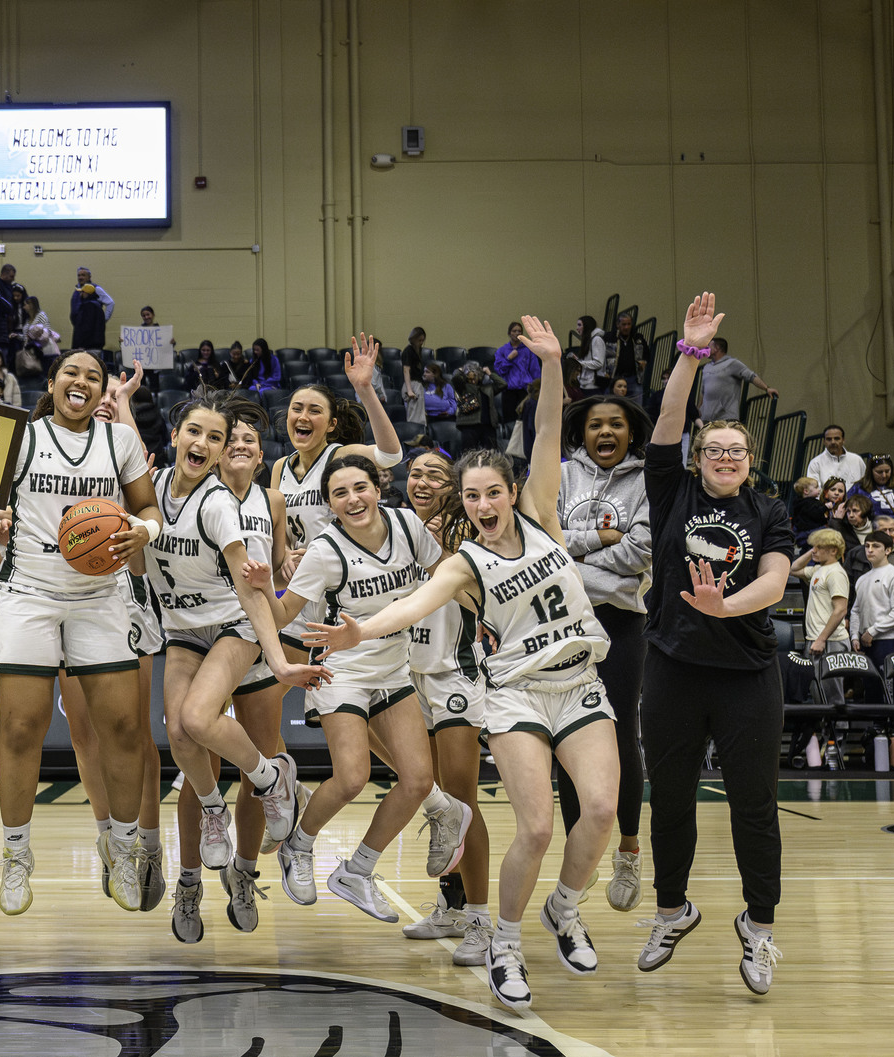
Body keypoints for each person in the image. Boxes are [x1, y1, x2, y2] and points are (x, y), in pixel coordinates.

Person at [307, 316, 618, 1012]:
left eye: (488, 492)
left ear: (510, 492)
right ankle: (499, 936)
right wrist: (358, 633)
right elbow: (410, 606)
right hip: (513, 692)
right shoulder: (459, 559)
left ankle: (563, 909)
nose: (483, 503)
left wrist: (552, 364)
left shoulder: (541, 513)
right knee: (530, 823)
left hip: (579, 681)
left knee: (598, 809)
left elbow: (545, 432)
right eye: (471, 496)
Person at [0, 349, 160, 916]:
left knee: (124, 725)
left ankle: (125, 846)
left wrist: (143, 532)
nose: (81, 381)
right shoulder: (16, 437)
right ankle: (16, 856)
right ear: (54, 383)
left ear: (102, 389)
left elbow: (148, 509)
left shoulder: (120, 442)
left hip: (100, 592)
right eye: (71, 373)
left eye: (93, 375)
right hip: (28, 592)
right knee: (19, 724)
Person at [635, 292, 792, 997]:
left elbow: (778, 580)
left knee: (753, 803)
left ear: (749, 462)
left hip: (747, 676)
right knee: (669, 798)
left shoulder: (768, 510)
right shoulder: (671, 492)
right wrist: (691, 353)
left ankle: (759, 928)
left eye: (737, 451)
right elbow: (667, 423)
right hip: (672, 669)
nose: (726, 457)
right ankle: (672, 910)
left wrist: (723, 604)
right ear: (698, 459)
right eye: (715, 450)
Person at [247, 450, 470, 924]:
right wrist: (267, 588)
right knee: (352, 777)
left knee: (416, 782)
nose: (352, 499)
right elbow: (285, 615)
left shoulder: (409, 527)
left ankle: (357, 871)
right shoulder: (326, 552)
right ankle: (298, 847)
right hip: (340, 669)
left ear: (378, 487)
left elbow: (447, 578)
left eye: (359, 488)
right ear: (329, 504)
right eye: (339, 493)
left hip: (393, 667)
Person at [168, 402, 294, 940]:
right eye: (198, 432)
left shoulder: (252, 502)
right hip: (188, 629)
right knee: (182, 734)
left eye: (222, 437)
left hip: (242, 625)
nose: (216, 443)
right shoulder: (164, 488)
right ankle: (190, 881)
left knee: (214, 734)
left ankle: (245, 865)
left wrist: (281, 655)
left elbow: (258, 585)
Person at [556, 394, 654, 913]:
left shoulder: (646, 482)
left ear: (631, 431)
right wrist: (599, 536)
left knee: (619, 734)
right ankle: (581, 852)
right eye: (596, 424)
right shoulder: (564, 476)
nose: (606, 432)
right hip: (565, 622)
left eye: (617, 423)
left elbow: (641, 552)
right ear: (583, 432)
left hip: (621, 622)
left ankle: (630, 848)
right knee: (566, 735)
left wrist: (575, 555)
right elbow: (546, 542)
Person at [396, 450, 493, 967]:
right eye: (415, 473)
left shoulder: (469, 535)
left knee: (461, 800)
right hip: (405, 675)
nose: (422, 480)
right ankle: (451, 905)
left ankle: (479, 918)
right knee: (435, 804)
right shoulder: (389, 531)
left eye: (435, 474)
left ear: (454, 487)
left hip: (453, 673)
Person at [271, 340, 403, 658]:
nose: (303, 415)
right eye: (297, 408)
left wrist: (365, 389)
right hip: (301, 588)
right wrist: (286, 553)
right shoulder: (279, 467)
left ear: (331, 425)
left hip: (343, 586)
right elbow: (275, 529)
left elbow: (391, 454)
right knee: (276, 681)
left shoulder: (340, 456)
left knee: (340, 685)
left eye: (315, 411)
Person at [790, 528, 852, 705]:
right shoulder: (818, 569)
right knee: (818, 691)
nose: (814, 550)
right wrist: (812, 551)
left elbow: (840, 609)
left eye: (819, 547)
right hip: (817, 638)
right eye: (813, 546)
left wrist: (821, 639)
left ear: (833, 550)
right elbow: (793, 569)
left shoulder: (836, 573)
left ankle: (838, 733)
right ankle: (827, 731)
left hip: (830, 640)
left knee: (832, 693)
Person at [851, 531, 894, 703]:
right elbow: (855, 610)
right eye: (867, 546)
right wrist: (855, 636)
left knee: (891, 690)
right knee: (872, 688)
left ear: (888, 550)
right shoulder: (862, 579)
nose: (870, 550)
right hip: (867, 641)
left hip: (889, 641)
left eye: (876, 546)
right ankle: (875, 727)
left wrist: (873, 631)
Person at [697, 337, 778, 424]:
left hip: (726, 418)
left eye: (709, 346)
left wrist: (766, 388)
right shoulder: (706, 367)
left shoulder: (732, 363)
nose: (706, 349)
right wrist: (698, 409)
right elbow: (703, 391)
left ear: (717, 348)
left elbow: (751, 376)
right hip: (707, 419)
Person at [850, 455, 894, 539]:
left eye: (887, 471)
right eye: (879, 472)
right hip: (874, 534)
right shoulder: (859, 488)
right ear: (871, 472)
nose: (884, 475)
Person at [494, 320, 540, 423]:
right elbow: (499, 370)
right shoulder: (502, 350)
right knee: (510, 420)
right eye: (514, 331)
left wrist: (535, 388)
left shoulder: (528, 350)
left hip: (525, 390)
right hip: (509, 390)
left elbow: (535, 370)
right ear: (509, 333)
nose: (517, 333)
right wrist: (508, 359)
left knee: (525, 420)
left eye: (519, 331)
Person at [806, 425, 867, 492]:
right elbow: (814, 492)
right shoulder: (815, 463)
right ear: (824, 441)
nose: (833, 442)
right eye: (829, 439)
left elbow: (866, 485)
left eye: (837, 438)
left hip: (855, 501)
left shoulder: (857, 460)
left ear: (843, 440)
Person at [422, 363, 459, 456]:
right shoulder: (422, 387)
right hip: (431, 419)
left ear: (435, 374)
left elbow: (453, 403)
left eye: (427, 372)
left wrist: (449, 412)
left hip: (448, 417)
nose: (424, 374)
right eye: (424, 372)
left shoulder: (446, 386)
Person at [608, 313, 648, 396]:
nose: (626, 327)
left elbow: (647, 354)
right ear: (618, 325)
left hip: (634, 378)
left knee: (635, 407)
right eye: (624, 324)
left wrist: (644, 362)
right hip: (614, 378)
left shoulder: (638, 339)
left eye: (629, 324)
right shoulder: (610, 338)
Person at [572, 315, 606, 396]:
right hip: (585, 383)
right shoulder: (588, 340)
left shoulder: (596, 340)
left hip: (593, 384)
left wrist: (580, 363)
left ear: (587, 326)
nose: (577, 328)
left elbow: (598, 363)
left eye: (580, 325)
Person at [71, 284, 107, 350]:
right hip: (95, 345)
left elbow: (86, 327)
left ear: (87, 293)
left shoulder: (88, 306)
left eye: (82, 292)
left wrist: (81, 344)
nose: (80, 294)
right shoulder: (97, 305)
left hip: (87, 346)